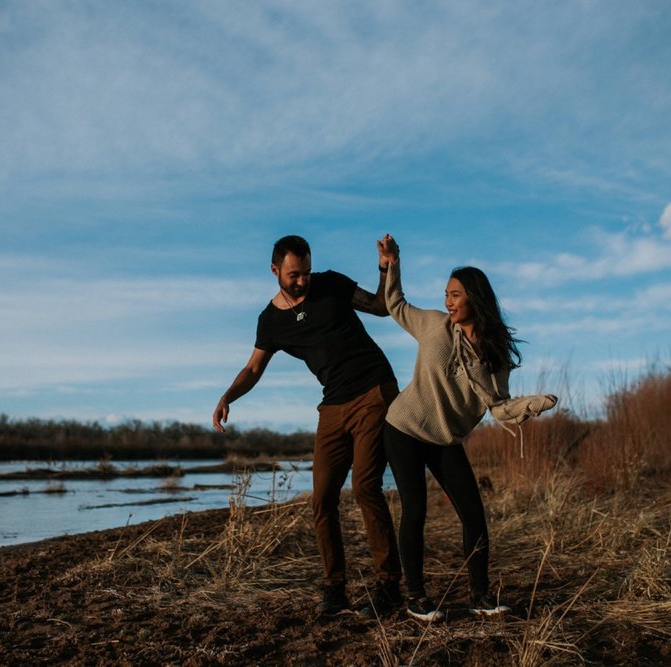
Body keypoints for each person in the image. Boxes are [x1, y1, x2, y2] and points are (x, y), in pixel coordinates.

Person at [212, 235, 404, 618]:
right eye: (294, 275)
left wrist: (387, 266)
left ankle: (389, 588)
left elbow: (381, 307)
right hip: (332, 404)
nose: (302, 281)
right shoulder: (271, 321)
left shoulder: (331, 283)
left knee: (365, 486)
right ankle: (334, 590)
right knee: (322, 499)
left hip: (373, 390)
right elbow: (253, 368)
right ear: (275, 271)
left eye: (306, 273)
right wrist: (227, 396)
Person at [376, 234, 557, 622]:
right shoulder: (434, 326)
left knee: (474, 515)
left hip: (444, 438)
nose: (448, 302)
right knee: (415, 511)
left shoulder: (495, 355)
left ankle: (479, 596)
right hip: (404, 427)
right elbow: (395, 305)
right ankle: (417, 598)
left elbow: (499, 408)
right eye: (446, 294)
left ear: (475, 297)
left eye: (455, 294)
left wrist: (531, 405)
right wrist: (392, 264)